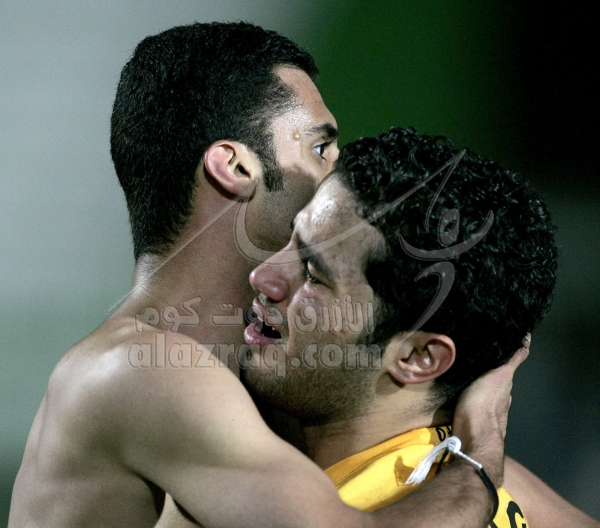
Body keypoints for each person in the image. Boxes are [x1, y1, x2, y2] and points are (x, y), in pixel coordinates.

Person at [9, 22, 518, 528]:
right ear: (235, 168)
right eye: (321, 148)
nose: (339, 173)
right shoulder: (139, 370)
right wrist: (480, 455)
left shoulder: (268, 381)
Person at [242, 127, 599, 528]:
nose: (262, 276)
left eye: (313, 273)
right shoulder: (485, 475)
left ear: (418, 357)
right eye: (292, 236)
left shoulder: (327, 513)